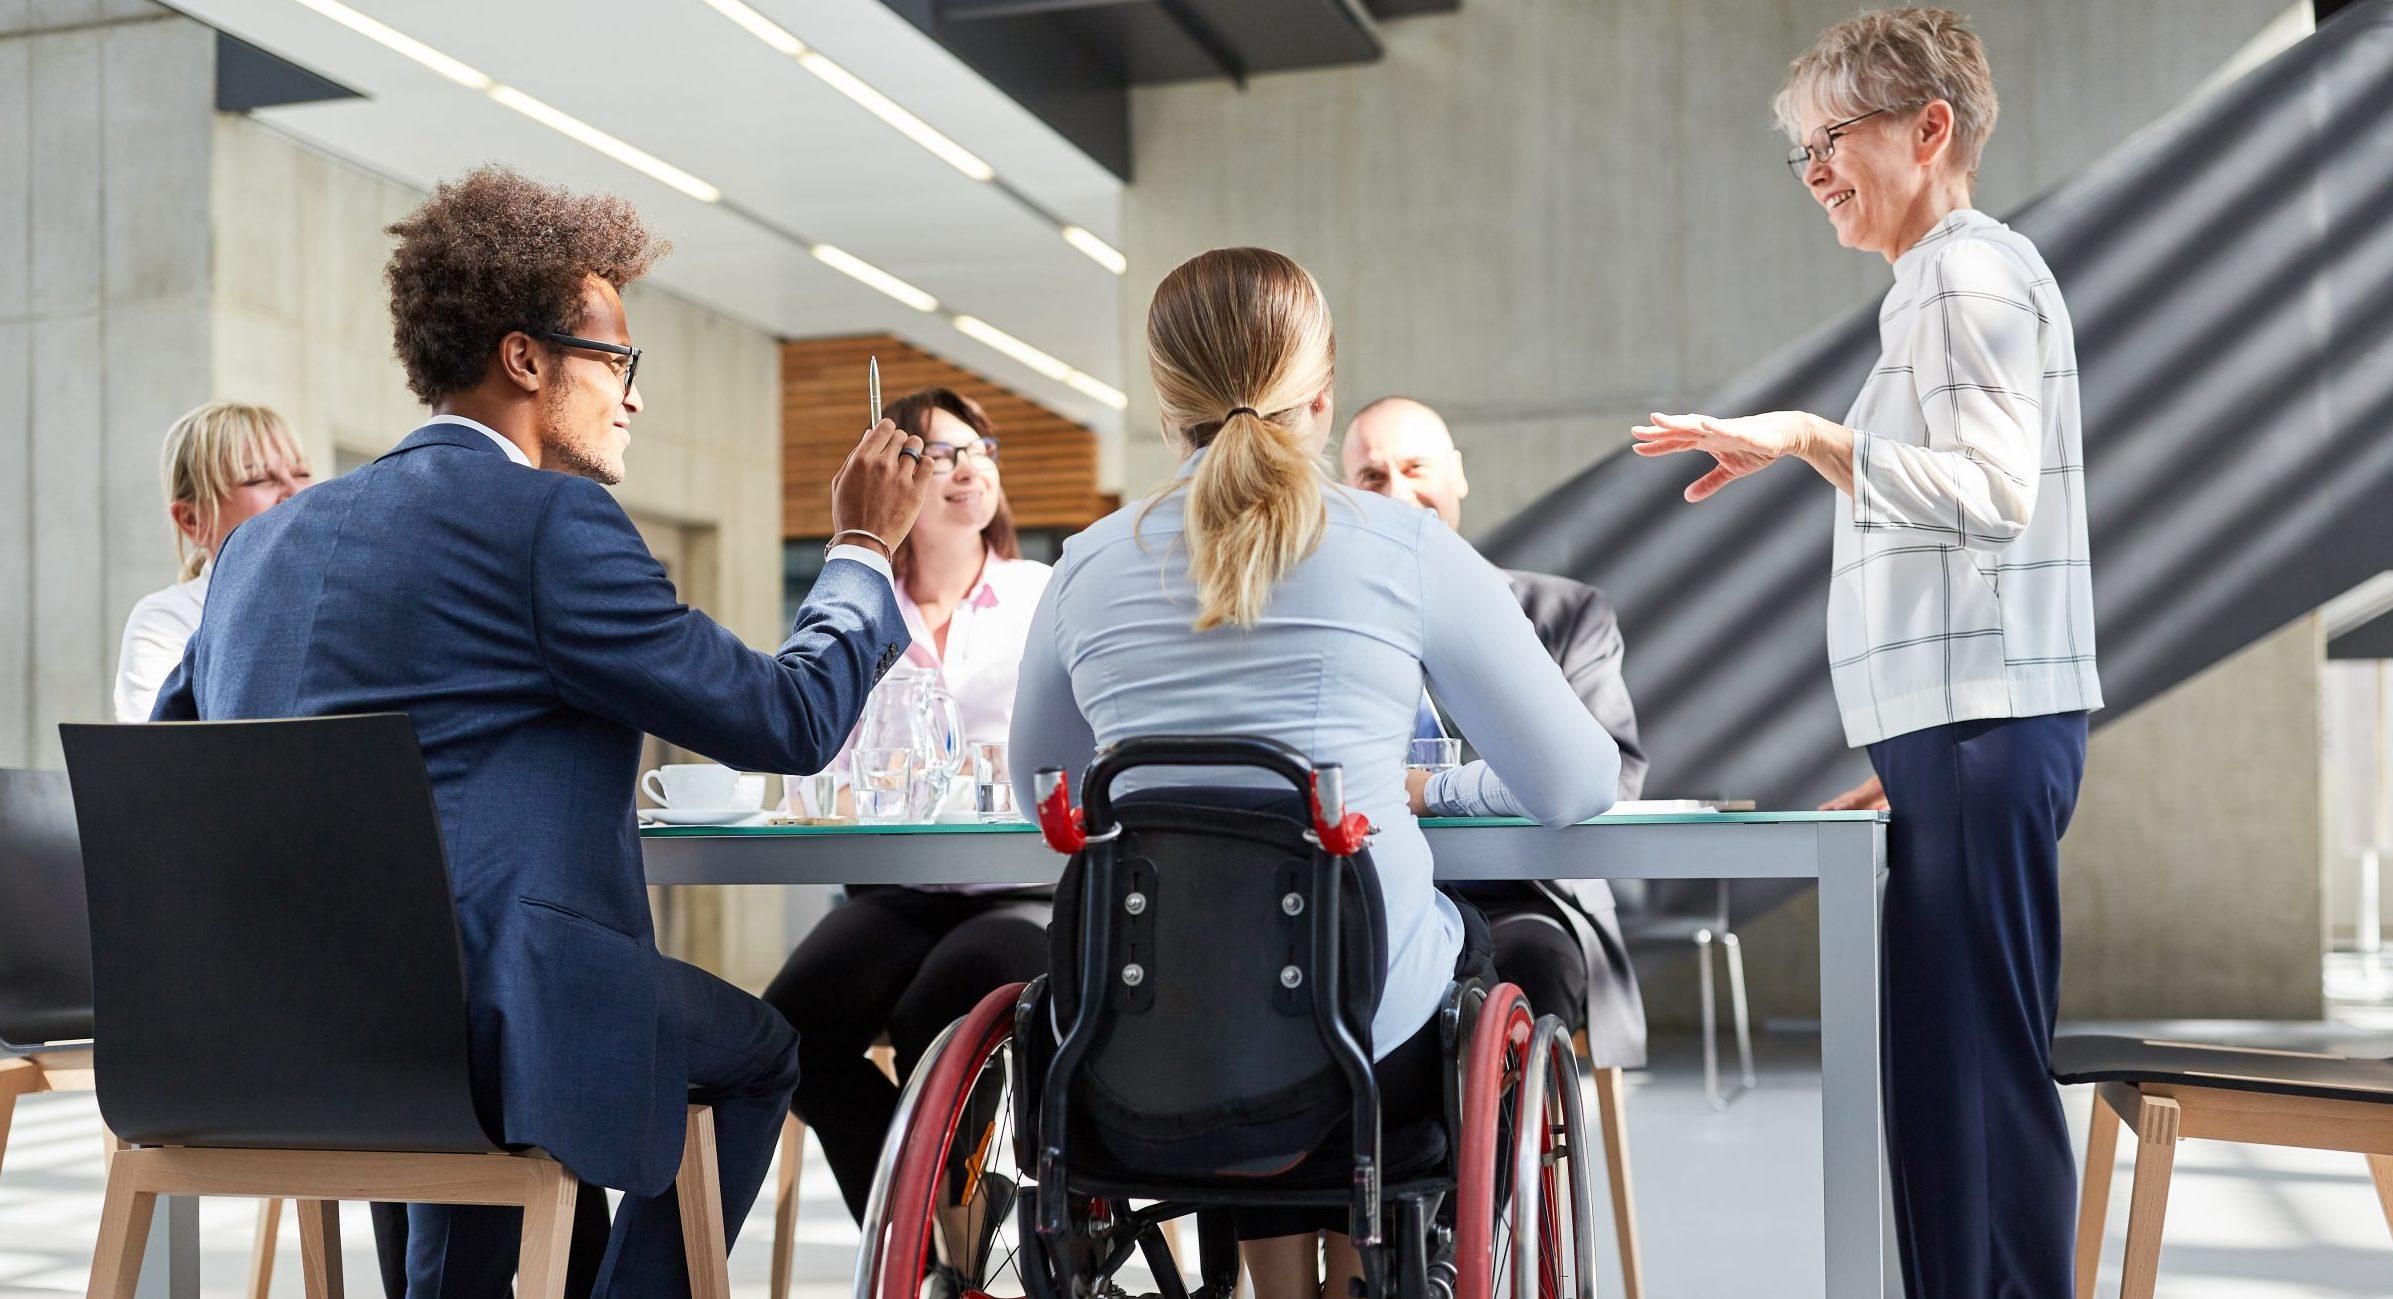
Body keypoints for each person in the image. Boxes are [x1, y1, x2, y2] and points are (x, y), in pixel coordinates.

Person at [152, 165, 927, 1299]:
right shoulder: (550, 522)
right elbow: (788, 716)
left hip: (278, 1033)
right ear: (526, 358)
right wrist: (858, 552)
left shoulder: (260, 549)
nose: (634, 397)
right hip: (491, 1024)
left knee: (472, 1066)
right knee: (763, 1056)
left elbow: (180, 758)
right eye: (618, 361)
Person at [1010, 247, 1617, 1299]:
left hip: (1136, 1036)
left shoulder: (1085, 567)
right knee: (1505, 949)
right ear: (1323, 396)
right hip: (1361, 1044)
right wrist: (1443, 790)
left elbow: (1043, 792)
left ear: (1166, 403)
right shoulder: (1403, 547)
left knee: (1226, 953)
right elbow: (1574, 783)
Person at [1630, 10, 2099, 1296]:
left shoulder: (1961, 269)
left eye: (1831, 138)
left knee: (1975, 1082)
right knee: (1952, 1078)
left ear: (1929, 128)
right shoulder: (1950, 278)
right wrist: (1915, 749)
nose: (1816, 172)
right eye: (1803, 152)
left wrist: (1805, 436)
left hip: (1983, 734)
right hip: (1963, 736)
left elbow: (1994, 494)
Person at [762, 386, 1054, 1215]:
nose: (970, 469)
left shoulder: (1041, 594)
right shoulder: (861, 603)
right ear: (896, 478)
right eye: (943, 455)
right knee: (785, 1038)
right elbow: (819, 745)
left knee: (935, 1013)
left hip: (1021, 886)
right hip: (895, 887)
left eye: (981, 450)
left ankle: (930, 1231)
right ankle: (915, 1226)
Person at [1339, 396, 1648, 1071]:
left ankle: (1485, 1176)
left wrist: (1435, 791)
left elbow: (1612, 773)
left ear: (1457, 473)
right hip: (1369, 889)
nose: (1396, 491)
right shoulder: (1339, 626)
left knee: (1527, 962)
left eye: (1414, 466)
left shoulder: (1565, 614)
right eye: (1371, 476)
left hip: (1523, 891)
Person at [113, 403, 312, 723]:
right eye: (259, 479)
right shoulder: (165, 621)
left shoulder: (337, 599)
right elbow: (162, 760)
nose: (296, 492)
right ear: (192, 520)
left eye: (302, 474)